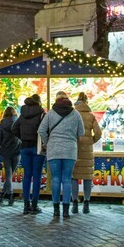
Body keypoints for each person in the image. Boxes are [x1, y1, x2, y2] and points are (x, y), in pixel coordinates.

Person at [38, 91, 84, 219]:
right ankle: (66, 210)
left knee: (55, 179)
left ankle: (56, 210)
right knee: (67, 179)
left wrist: (48, 142)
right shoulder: (75, 113)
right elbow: (81, 132)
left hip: (53, 149)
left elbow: (41, 129)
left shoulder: (50, 113)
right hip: (70, 150)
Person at [11, 94, 45, 215]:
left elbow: (14, 128)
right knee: (36, 177)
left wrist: (23, 137)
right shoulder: (42, 114)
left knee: (27, 176)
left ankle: (26, 205)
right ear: (39, 102)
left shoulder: (22, 114)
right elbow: (45, 130)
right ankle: (34, 205)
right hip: (37, 148)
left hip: (24, 147)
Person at [71, 93, 102, 214]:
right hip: (87, 151)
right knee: (87, 178)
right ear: (87, 102)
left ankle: (74, 204)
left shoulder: (73, 115)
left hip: (75, 149)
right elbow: (98, 133)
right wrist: (91, 141)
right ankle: (86, 204)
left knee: (74, 177)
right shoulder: (91, 116)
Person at [0, 106, 21, 206]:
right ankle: (9, 196)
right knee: (10, 175)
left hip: (6, 151)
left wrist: (3, 143)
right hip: (17, 150)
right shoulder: (18, 122)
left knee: (9, 175)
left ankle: (3, 195)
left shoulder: (2, 123)